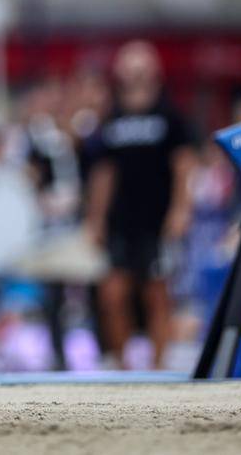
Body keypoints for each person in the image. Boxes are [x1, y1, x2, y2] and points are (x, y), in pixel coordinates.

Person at [82, 40, 197, 370]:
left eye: (142, 65)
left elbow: (184, 165)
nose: (135, 72)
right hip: (121, 221)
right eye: (129, 65)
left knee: (156, 295)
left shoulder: (170, 115)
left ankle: (159, 367)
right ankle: (122, 366)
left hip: (156, 220)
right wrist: (96, 218)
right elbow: (104, 173)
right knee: (113, 295)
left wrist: (181, 209)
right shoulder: (112, 119)